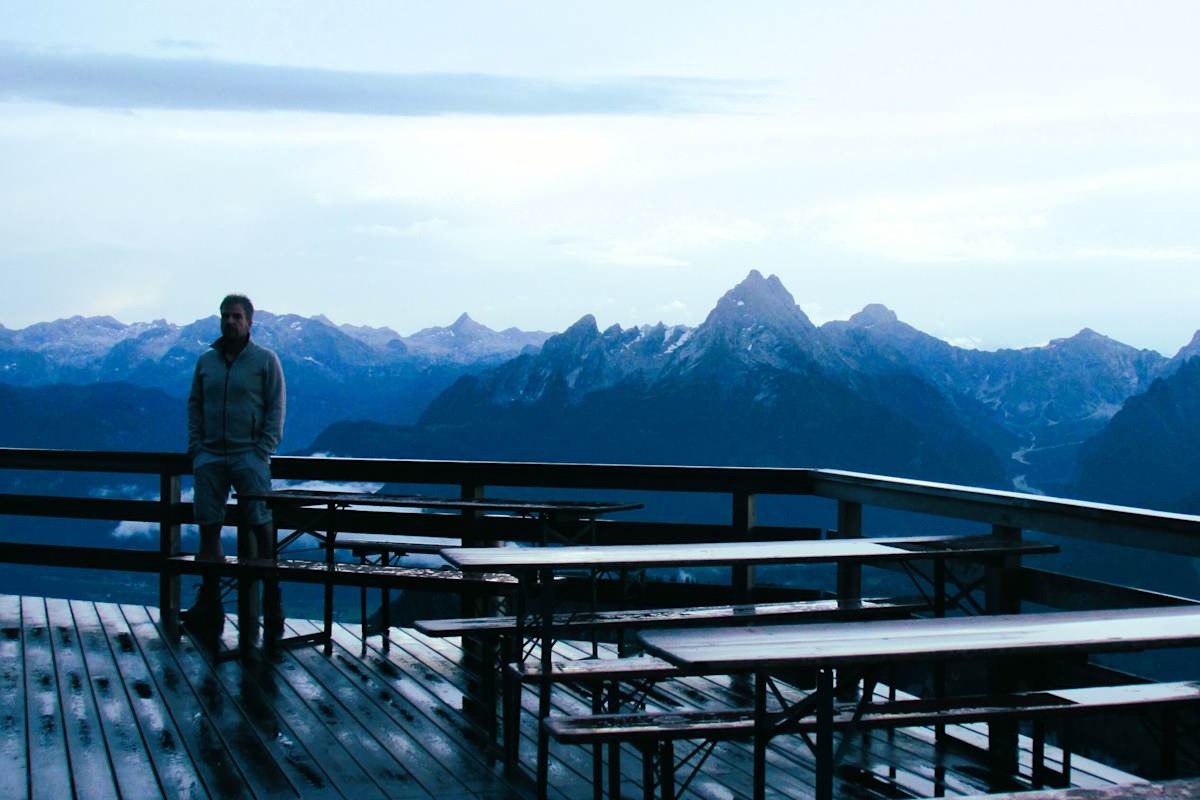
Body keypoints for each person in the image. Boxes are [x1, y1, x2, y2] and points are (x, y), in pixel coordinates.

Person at [185, 293, 286, 644]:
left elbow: (275, 407)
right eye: (225, 315)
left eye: (236, 316)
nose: (230, 321)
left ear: (249, 322)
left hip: (248, 455)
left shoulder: (265, 360)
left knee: (260, 524)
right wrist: (198, 448)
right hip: (211, 456)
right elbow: (195, 405)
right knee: (208, 528)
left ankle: (272, 602)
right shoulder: (206, 361)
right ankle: (210, 604)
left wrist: (262, 451)